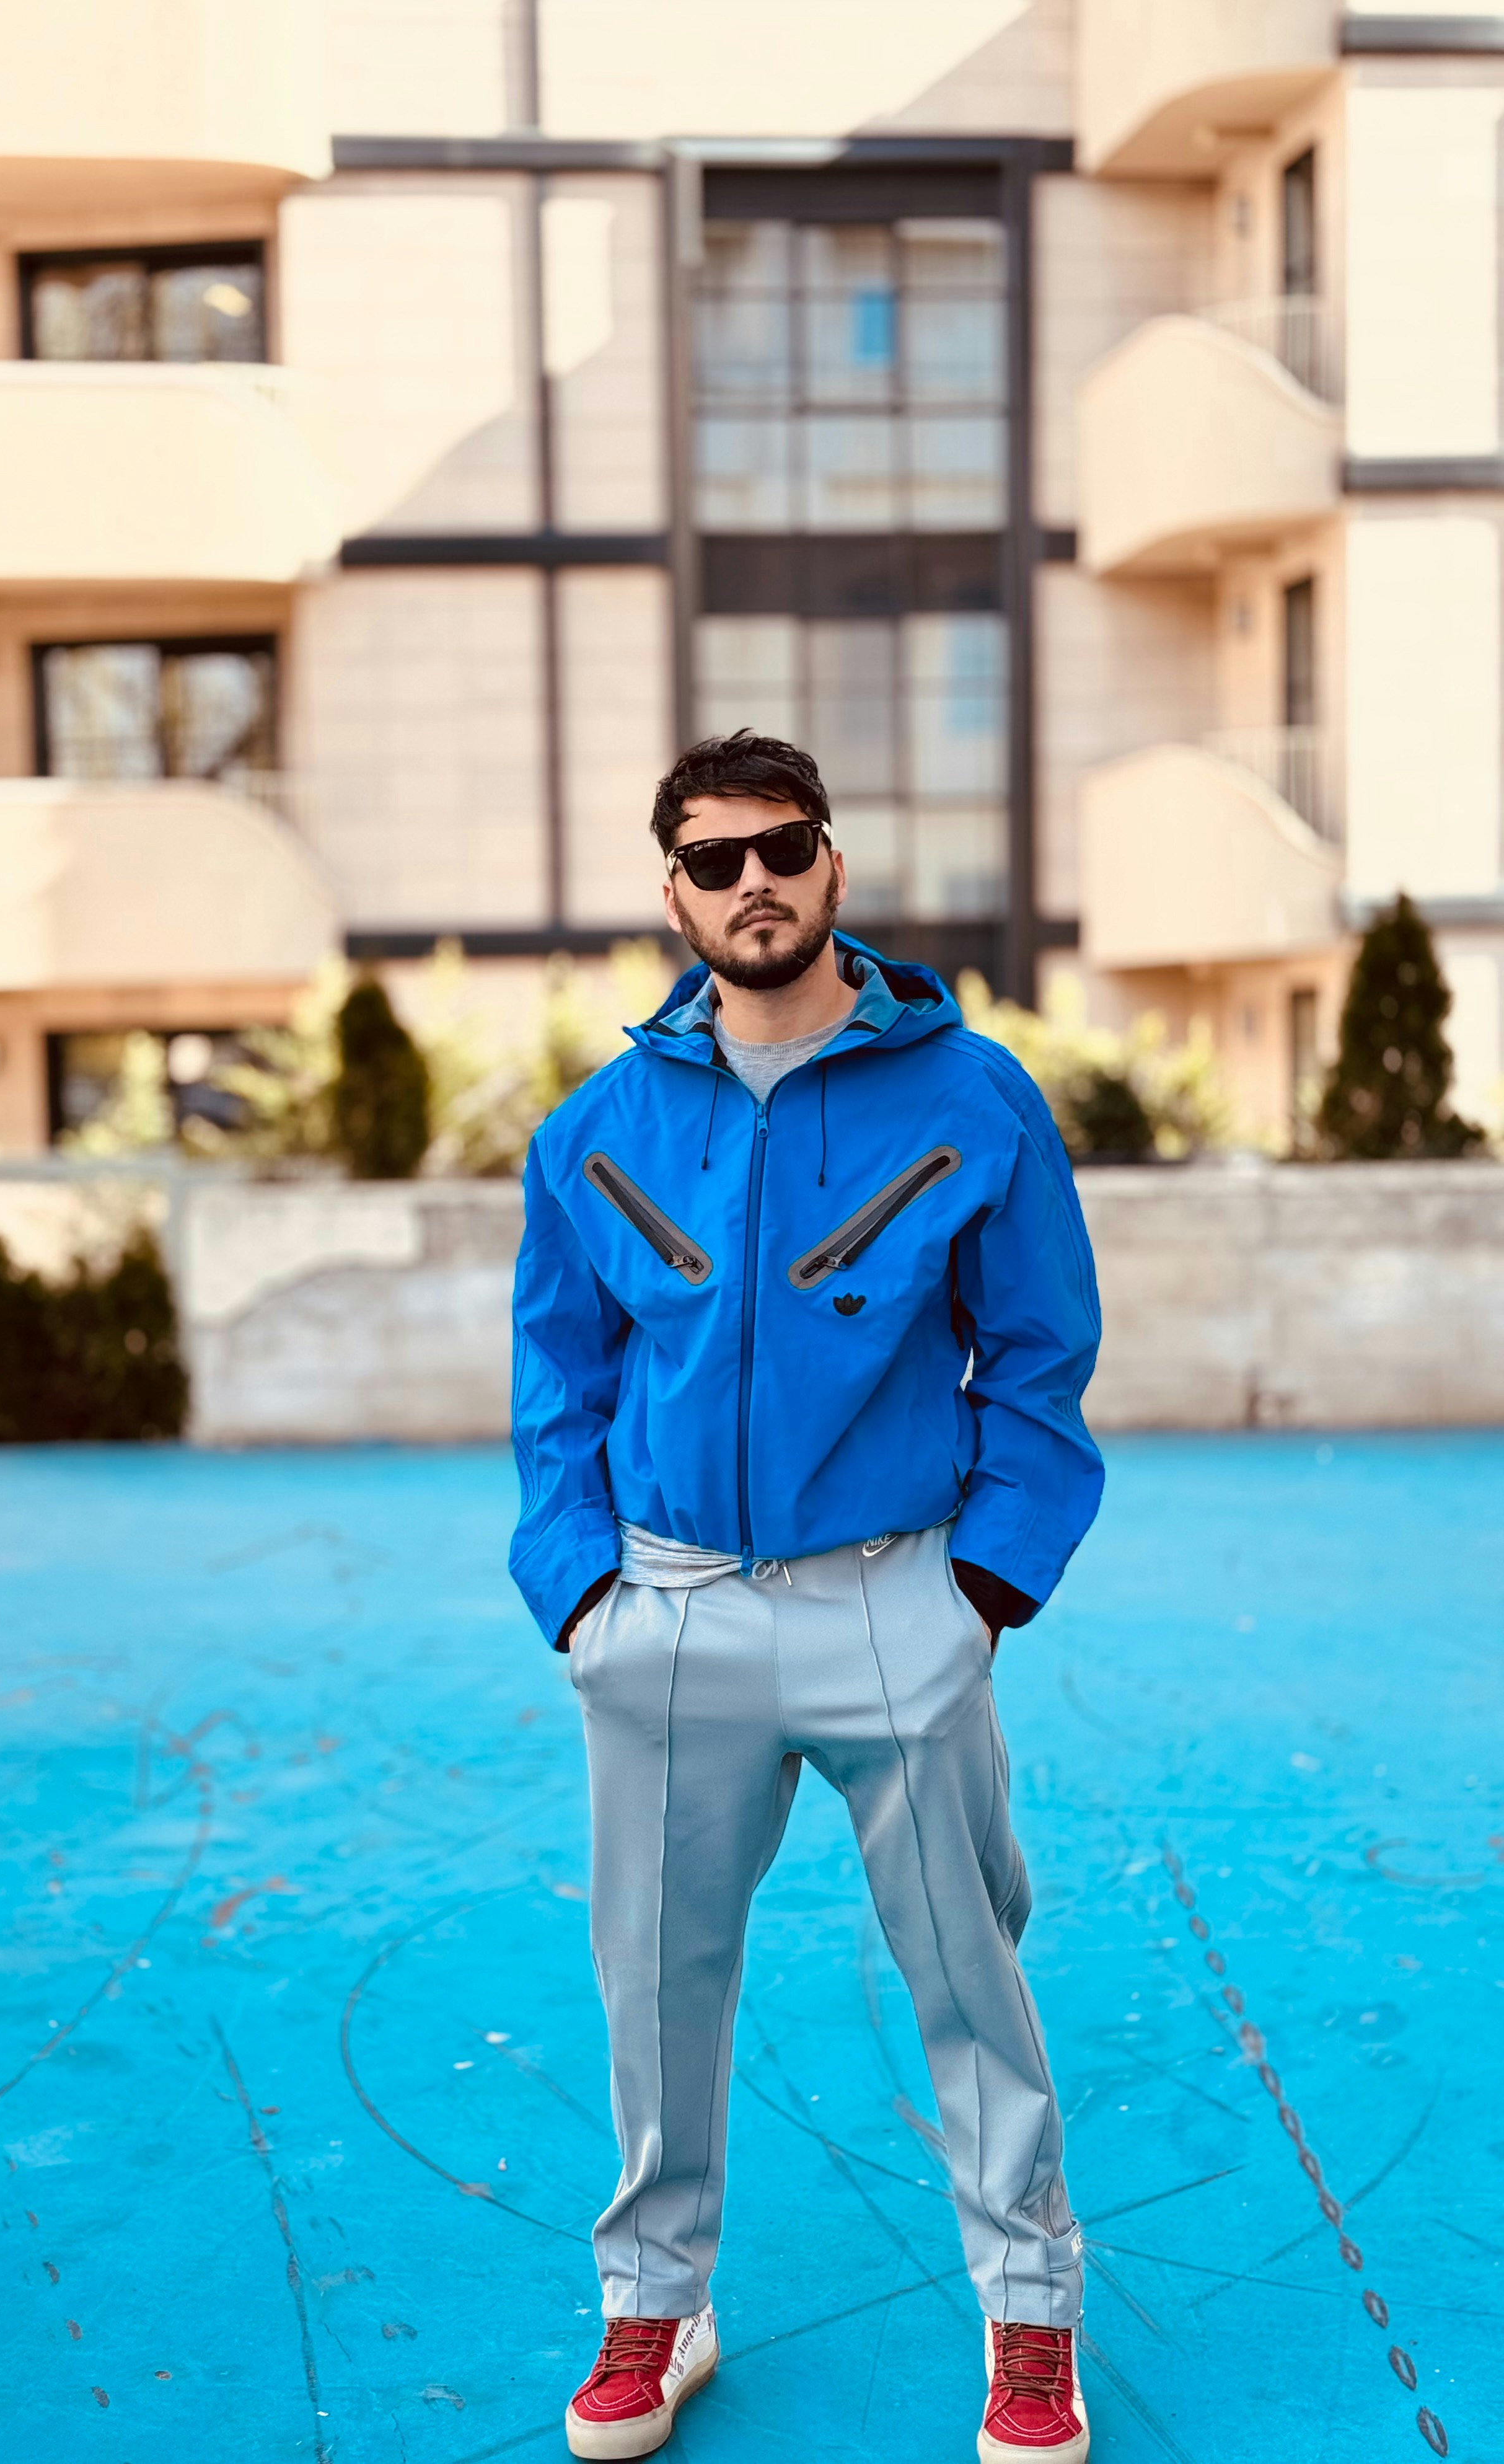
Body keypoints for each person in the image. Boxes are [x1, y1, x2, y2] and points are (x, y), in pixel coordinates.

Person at [508, 732, 1104, 2462]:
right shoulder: (595, 1134)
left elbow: (1043, 1356)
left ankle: (1031, 2317)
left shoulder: (971, 1095)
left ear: (832, 866)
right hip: (670, 1617)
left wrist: (981, 1586)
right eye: (712, 860)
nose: (750, 883)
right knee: (656, 1982)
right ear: (673, 892)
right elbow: (556, 1391)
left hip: (894, 1605)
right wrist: (581, 1598)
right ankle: (656, 2304)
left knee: (967, 1975)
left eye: (781, 849)